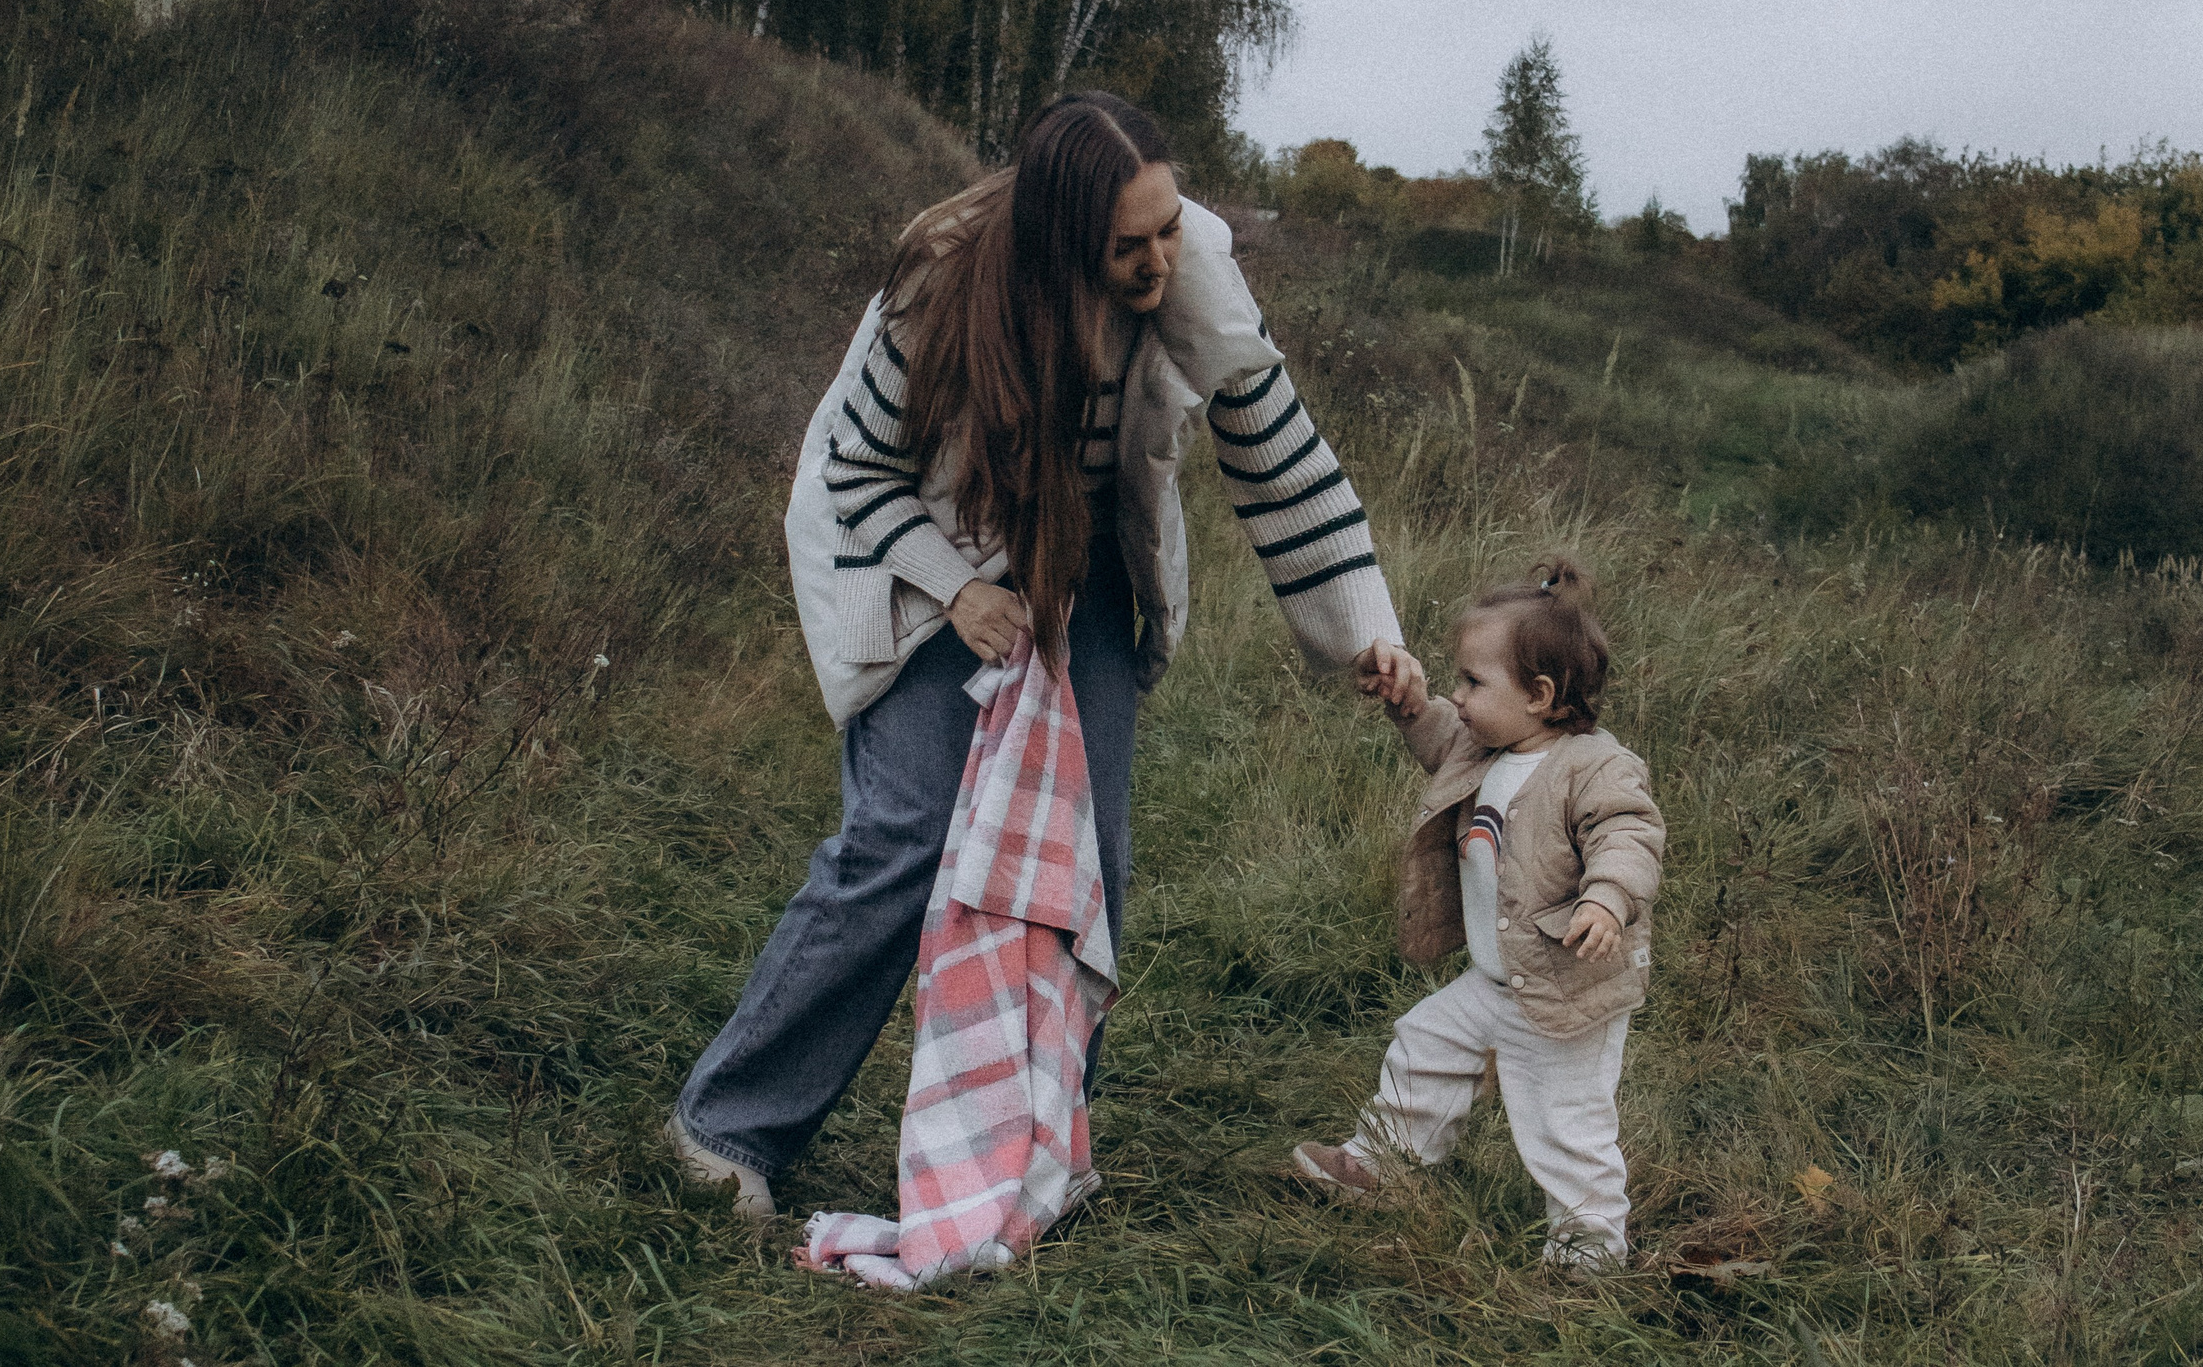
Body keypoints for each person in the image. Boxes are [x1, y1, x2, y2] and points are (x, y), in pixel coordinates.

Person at [668, 91, 1428, 1217]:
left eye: (1171, 225)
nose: (1160, 256)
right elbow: (856, 472)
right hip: (931, 543)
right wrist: (960, 589)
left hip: (1089, 561)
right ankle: (727, 1128)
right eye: (1131, 243)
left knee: (1088, 870)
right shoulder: (942, 280)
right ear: (1064, 236)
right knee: (907, 836)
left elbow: (1279, 454)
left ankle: (1034, 1155)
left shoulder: (1194, 266)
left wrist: (1373, 633)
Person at [1294, 553, 1665, 1273]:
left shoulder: (1592, 766)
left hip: (1564, 990)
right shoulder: (1488, 744)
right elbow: (1440, 739)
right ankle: (1384, 1166)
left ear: (1541, 693)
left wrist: (1606, 897)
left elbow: (1630, 832)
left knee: (1566, 1122)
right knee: (1425, 1041)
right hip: (1494, 980)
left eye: (1471, 680)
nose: (1457, 695)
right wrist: (1411, 706)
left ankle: (1588, 1247)